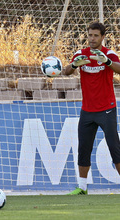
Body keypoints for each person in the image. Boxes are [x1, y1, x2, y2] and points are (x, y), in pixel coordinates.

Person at [64, 22, 120, 195]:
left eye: (96, 35)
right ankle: (82, 187)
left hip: (107, 109)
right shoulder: (81, 54)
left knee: (114, 147)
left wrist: (107, 61)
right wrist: (74, 65)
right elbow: (66, 71)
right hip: (87, 110)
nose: (92, 39)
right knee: (84, 148)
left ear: (103, 37)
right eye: (90, 35)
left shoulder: (109, 54)